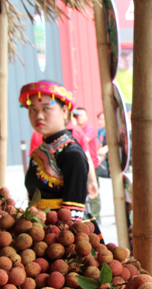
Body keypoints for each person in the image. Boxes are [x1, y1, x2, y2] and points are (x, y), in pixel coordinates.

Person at [20, 81, 99, 233]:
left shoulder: (72, 154)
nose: (39, 116)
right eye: (33, 109)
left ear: (64, 111)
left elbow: (72, 216)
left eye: (46, 108)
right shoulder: (38, 152)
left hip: (61, 235)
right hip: (38, 230)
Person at [76, 107, 102, 223]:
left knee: (93, 191)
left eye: (82, 115)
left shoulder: (88, 129)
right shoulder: (76, 129)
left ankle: (96, 217)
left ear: (86, 117)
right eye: (77, 115)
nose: (79, 117)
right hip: (79, 165)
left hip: (90, 164)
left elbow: (83, 140)